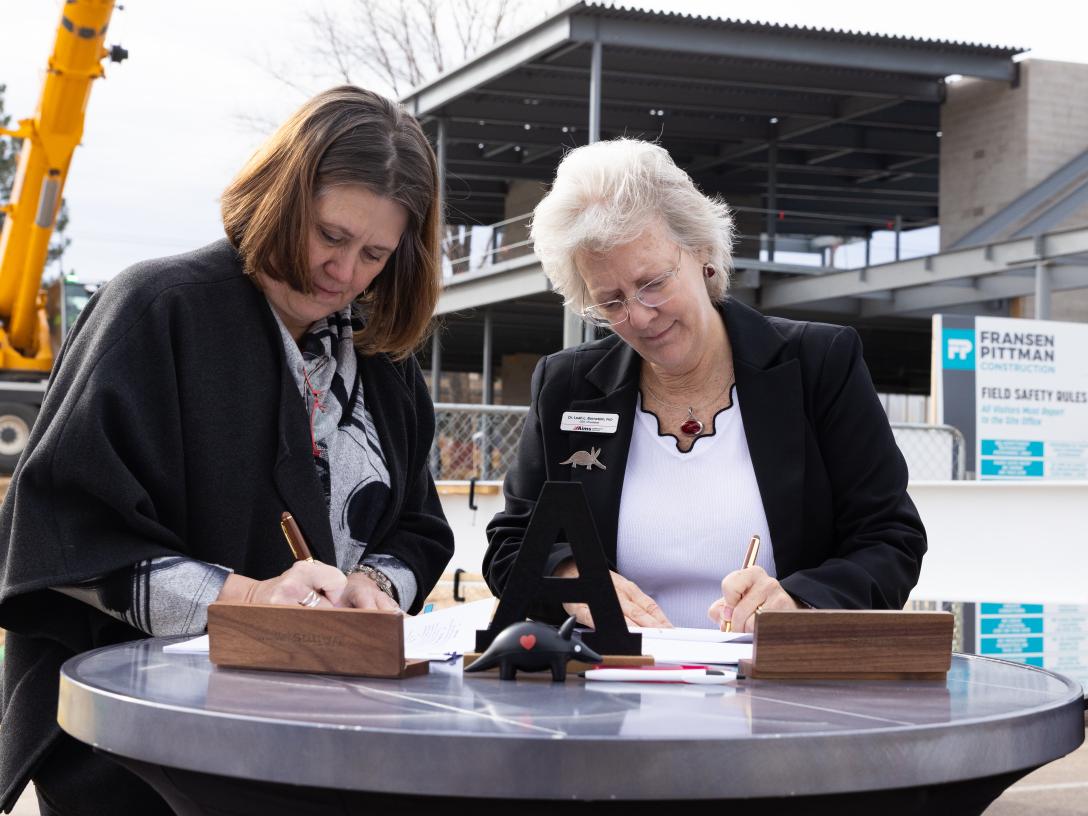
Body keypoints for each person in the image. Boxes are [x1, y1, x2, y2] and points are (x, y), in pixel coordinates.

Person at [0, 86, 454, 816]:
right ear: (280, 196)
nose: (345, 274)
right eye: (330, 236)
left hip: (331, 738)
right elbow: (63, 532)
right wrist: (249, 600)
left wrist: (373, 589)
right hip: (147, 752)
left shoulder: (381, 356)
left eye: (375, 254)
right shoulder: (157, 308)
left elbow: (419, 524)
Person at [484, 138, 926, 632]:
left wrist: (797, 604)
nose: (639, 317)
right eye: (610, 302)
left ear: (701, 251)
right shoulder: (566, 386)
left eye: (652, 283)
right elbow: (512, 545)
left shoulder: (818, 365)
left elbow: (891, 539)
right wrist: (572, 578)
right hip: (614, 690)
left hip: (780, 691)